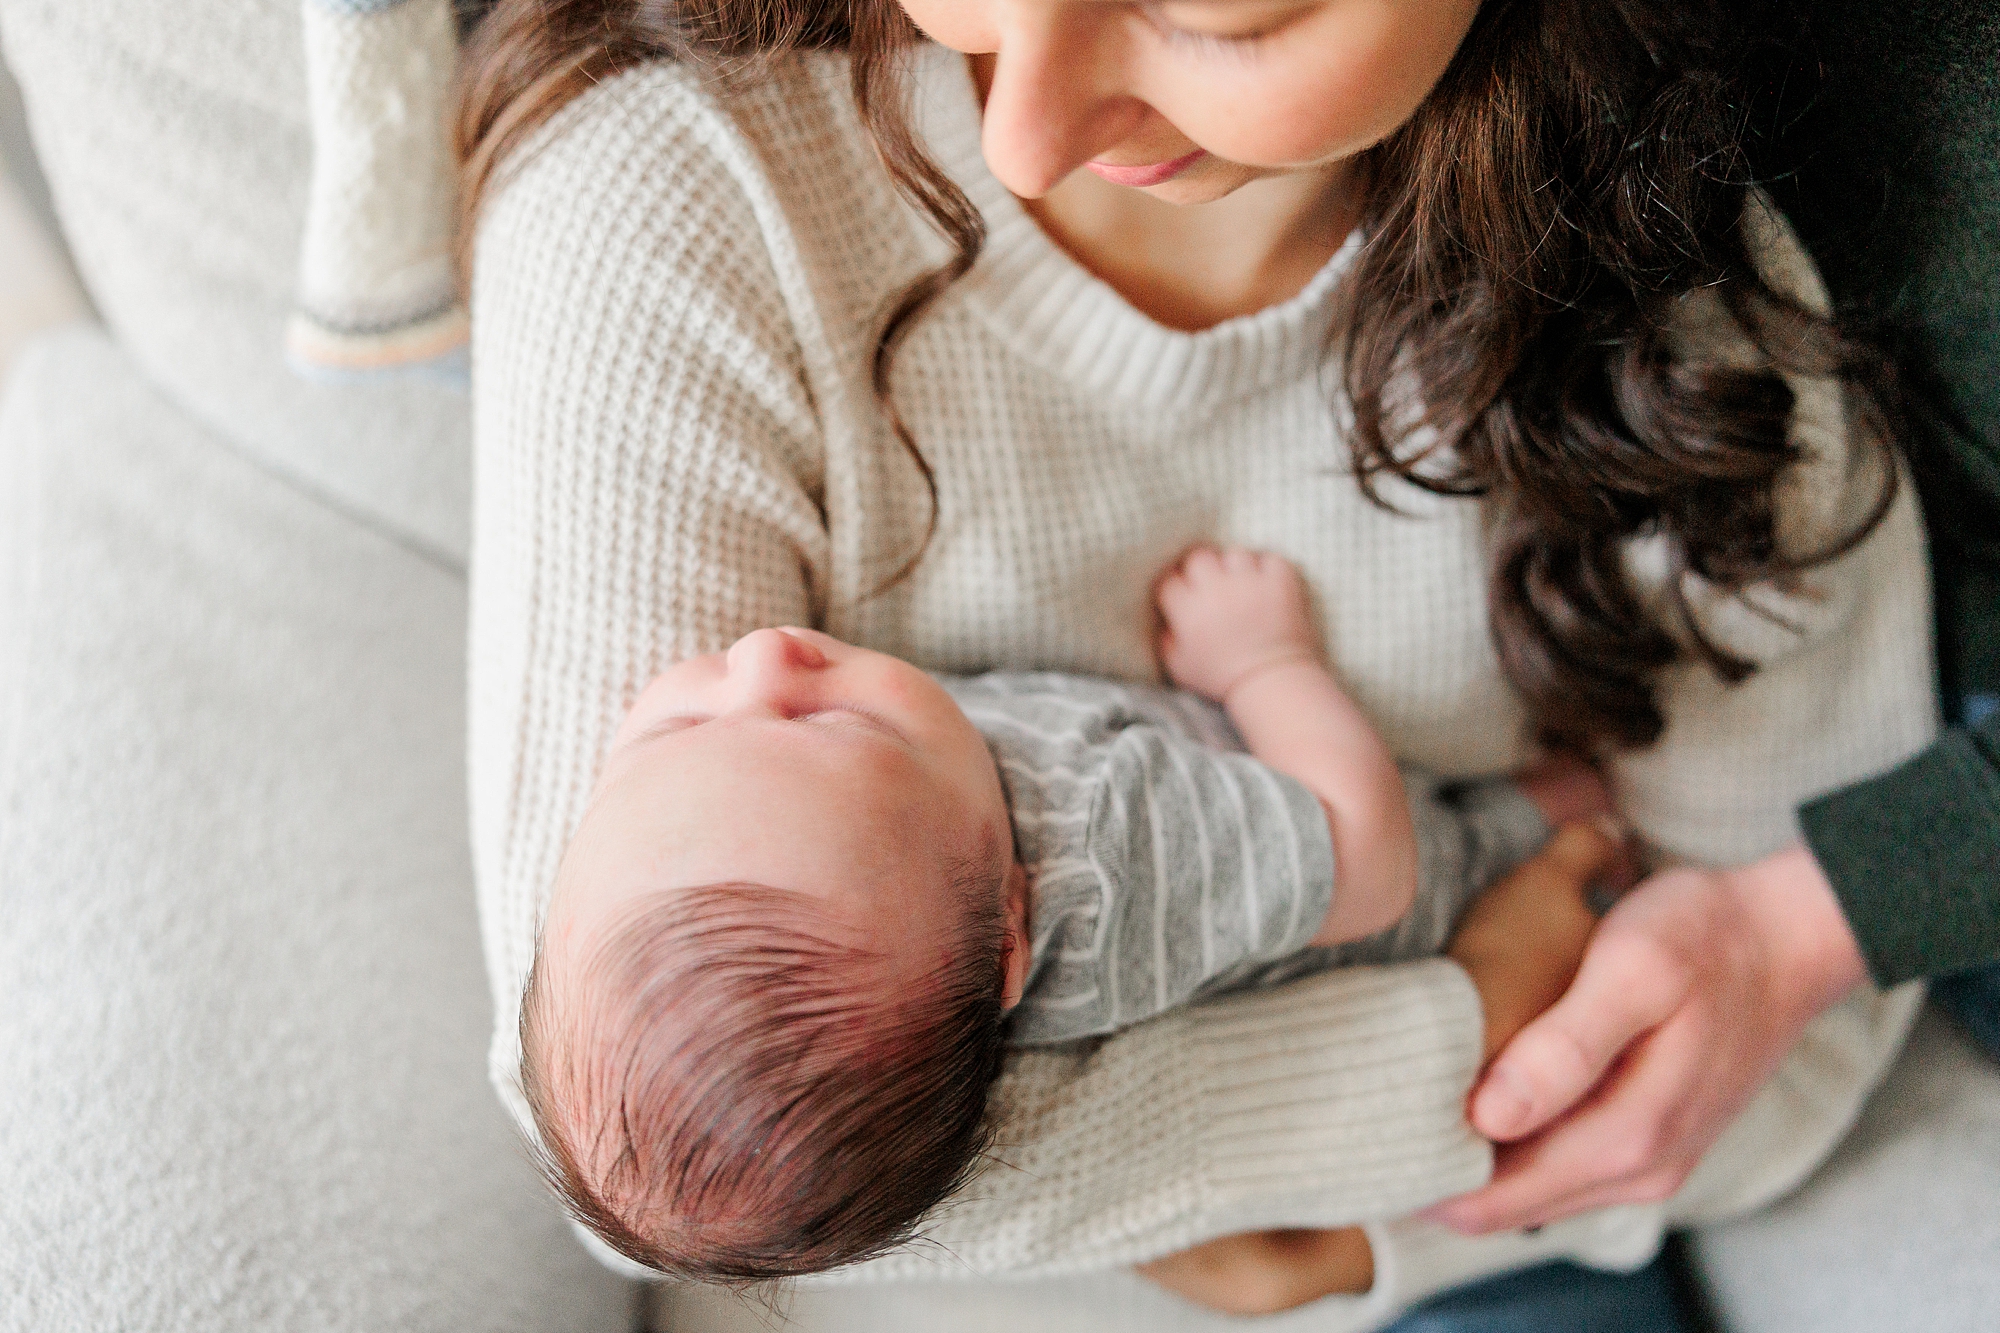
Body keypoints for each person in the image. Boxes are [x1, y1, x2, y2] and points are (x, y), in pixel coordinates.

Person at [454, 0, 1938, 1322]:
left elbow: (1789, 1042)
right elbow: (630, 1134)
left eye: (1219, 21)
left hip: (1476, 1222)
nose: (1020, 133)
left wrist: (1358, 1248)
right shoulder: (677, 189)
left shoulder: (1700, 325)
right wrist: (1437, 1046)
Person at [517, 549, 1603, 1281]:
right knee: (1577, 810)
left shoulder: (902, 887)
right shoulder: (1114, 843)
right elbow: (1369, 863)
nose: (760, 656)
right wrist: (1266, 662)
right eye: (832, 722)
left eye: (675, 736)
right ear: (1013, 924)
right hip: (1424, 870)